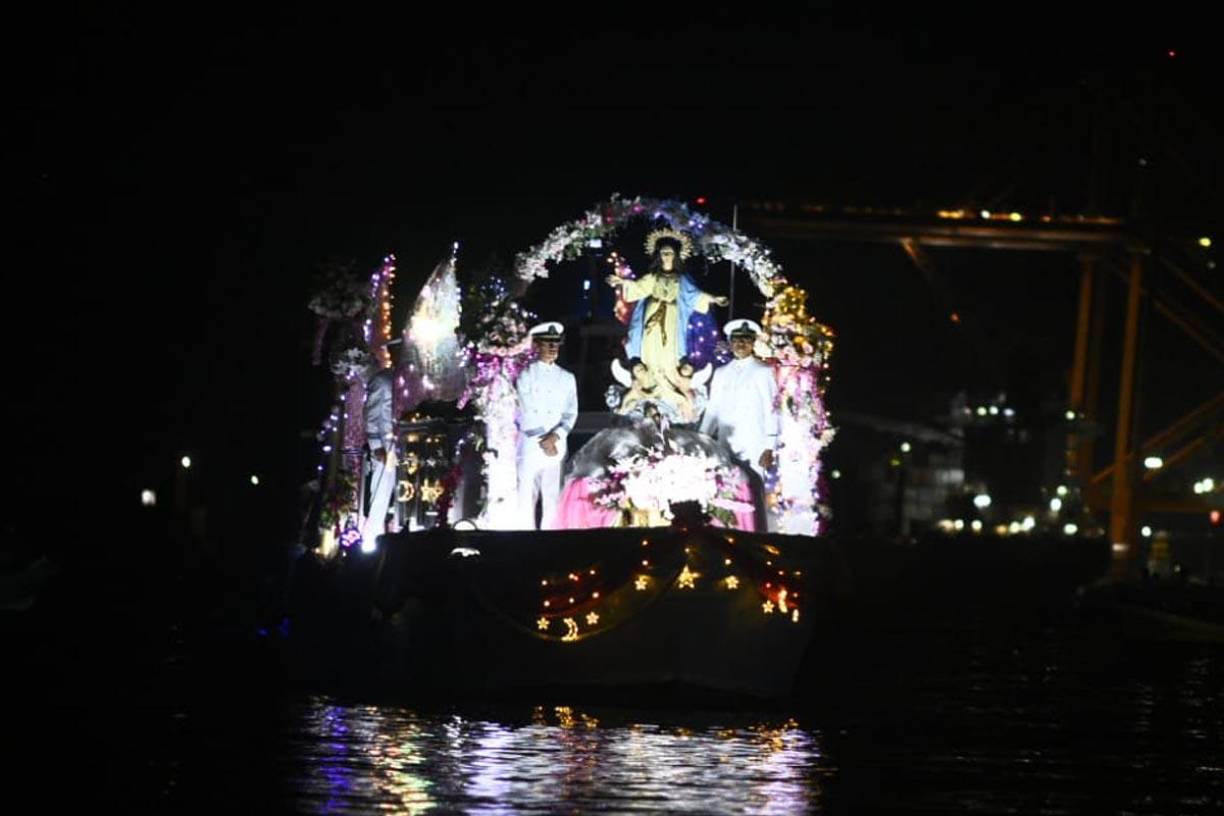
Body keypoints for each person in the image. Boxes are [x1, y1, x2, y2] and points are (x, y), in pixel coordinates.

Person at [605, 229, 727, 388]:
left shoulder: (681, 279)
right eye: (663, 253)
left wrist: (714, 299)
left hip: (672, 316)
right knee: (650, 344)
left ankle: (670, 379)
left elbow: (694, 295)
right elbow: (638, 287)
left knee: (671, 345)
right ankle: (650, 379)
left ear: (675, 255)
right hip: (652, 314)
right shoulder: (653, 276)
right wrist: (621, 282)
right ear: (659, 255)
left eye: (669, 252)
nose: (666, 255)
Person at [516, 322, 579, 529]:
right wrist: (543, 439)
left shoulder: (567, 378)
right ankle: (524, 539)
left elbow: (571, 411)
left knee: (552, 496)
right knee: (526, 496)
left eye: (556, 344)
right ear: (537, 345)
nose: (553, 348)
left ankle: (549, 539)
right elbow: (525, 409)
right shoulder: (526, 374)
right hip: (532, 444)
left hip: (556, 444)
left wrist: (557, 436)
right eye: (547, 343)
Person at [699, 319, 778, 479]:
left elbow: (771, 409)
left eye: (746, 339)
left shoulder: (764, 371)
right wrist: (702, 438)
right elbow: (713, 409)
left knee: (753, 489)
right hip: (725, 441)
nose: (741, 343)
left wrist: (770, 446)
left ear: (753, 342)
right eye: (736, 339)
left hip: (753, 442)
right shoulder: (721, 372)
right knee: (725, 488)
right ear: (730, 342)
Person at [361, 338, 402, 553]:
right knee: (382, 489)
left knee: (404, 489)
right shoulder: (383, 379)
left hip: (406, 442)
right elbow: (371, 414)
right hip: (386, 444)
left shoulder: (412, 380)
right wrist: (376, 444)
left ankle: (398, 530)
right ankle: (372, 538)